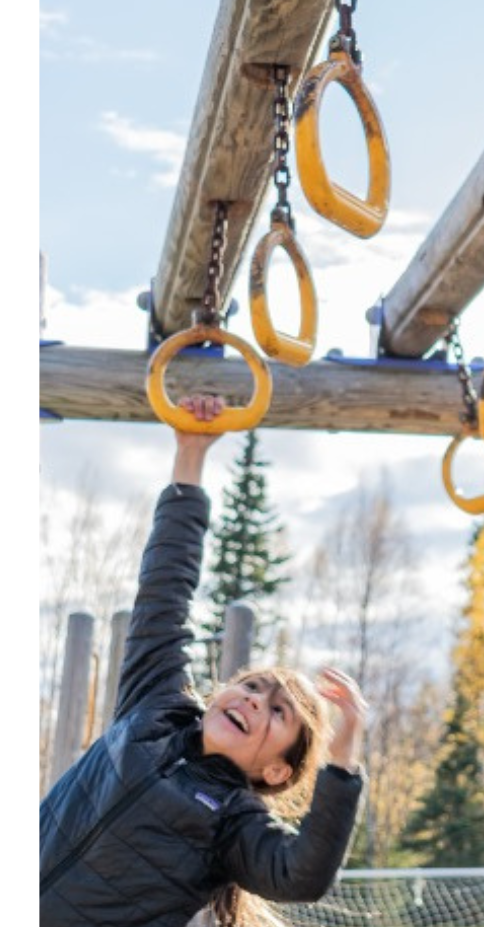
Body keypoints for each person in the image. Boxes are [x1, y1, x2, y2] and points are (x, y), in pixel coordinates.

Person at [37, 394, 368, 927]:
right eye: (255, 687)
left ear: (277, 769)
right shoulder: (156, 707)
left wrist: (343, 761)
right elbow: (165, 591)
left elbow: (303, 875)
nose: (256, 701)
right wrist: (190, 455)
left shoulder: (234, 826)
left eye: (278, 712)